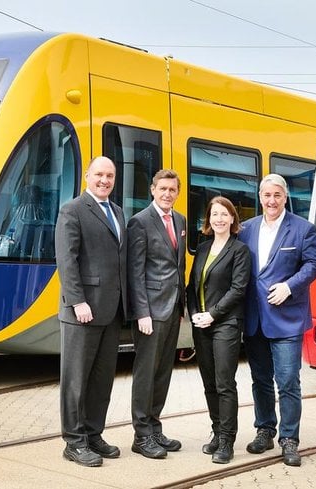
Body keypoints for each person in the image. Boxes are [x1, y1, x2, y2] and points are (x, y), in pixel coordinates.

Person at [238, 173, 316, 467]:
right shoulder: (246, 229)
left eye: (277, 195)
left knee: (287, 381)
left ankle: (289, 439)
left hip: (287, 318)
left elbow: (314, 263)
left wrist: (290, 286)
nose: (271, 201)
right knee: (260, 379)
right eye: (266, 195)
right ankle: (265, 430)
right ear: (260, 197)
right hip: (254, 318)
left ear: (285, 198)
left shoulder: (303, 230)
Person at [55, 156, 127, 467]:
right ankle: (73, 441)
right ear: (87, 176)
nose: (104, 180)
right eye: (99, 174)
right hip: (82, 311)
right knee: (76, 379)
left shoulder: (118, 212)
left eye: (110, 175)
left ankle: (94, 434)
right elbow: (67, 260)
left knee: (101, 380)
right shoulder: (72, 210)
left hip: (111, 311)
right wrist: (77, 300)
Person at [186, 196, 251, 464]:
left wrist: (212, 315)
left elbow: (238, 289)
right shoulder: (202, 249)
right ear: (208, 220)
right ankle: (216, 432)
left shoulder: (240, 251)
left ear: (233, 219)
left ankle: (227, 440)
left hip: (226, 323)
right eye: (214, 214)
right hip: (202, 323)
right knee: (209, 383)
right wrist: (194, 315)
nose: (219, 219)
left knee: (225, 384)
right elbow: (191, 287)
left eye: (224, 214)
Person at [127, 169, 187, 459]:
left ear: (177, 192)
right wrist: (142, 312)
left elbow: (178, 267)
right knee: (145, 373)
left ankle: (154, 427)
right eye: (162, 189)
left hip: (173, 309)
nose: (167, 194)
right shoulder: (140, 222)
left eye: (172, 190)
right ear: (152, 190)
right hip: (150, 312)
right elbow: (135, 271)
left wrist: (182, 306)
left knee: (163, 372)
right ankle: (141, 435)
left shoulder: (180, 220)